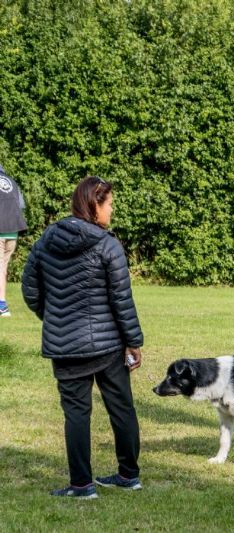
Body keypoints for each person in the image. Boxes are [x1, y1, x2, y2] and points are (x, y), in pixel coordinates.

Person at [22, 176, 144, 499]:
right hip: (108, 346)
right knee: (121, 407)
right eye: (109, 204)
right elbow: (122, 300)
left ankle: (82, 485)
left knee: (76, 413)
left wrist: (54, 318)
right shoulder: (108, 245)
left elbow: (30, 290)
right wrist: (133, 342)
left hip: (66, 345)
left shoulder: (46, 240)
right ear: (94, 205)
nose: (112, 210)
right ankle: (129, 475)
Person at [0, 165, 27, 317]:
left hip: (1, 228)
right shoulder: (12, 181)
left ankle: (2, 306)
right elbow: (21, 205)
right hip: (13, 230)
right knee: (2, 267)